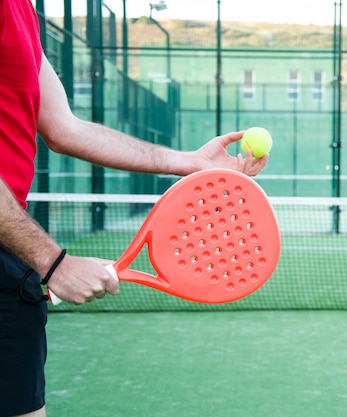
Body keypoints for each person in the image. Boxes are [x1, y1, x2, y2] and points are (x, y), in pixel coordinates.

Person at [0, 0, 269, 416]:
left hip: (8, 255)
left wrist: (186, 161)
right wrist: (53, 262)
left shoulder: (22, 12)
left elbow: (63, 127)